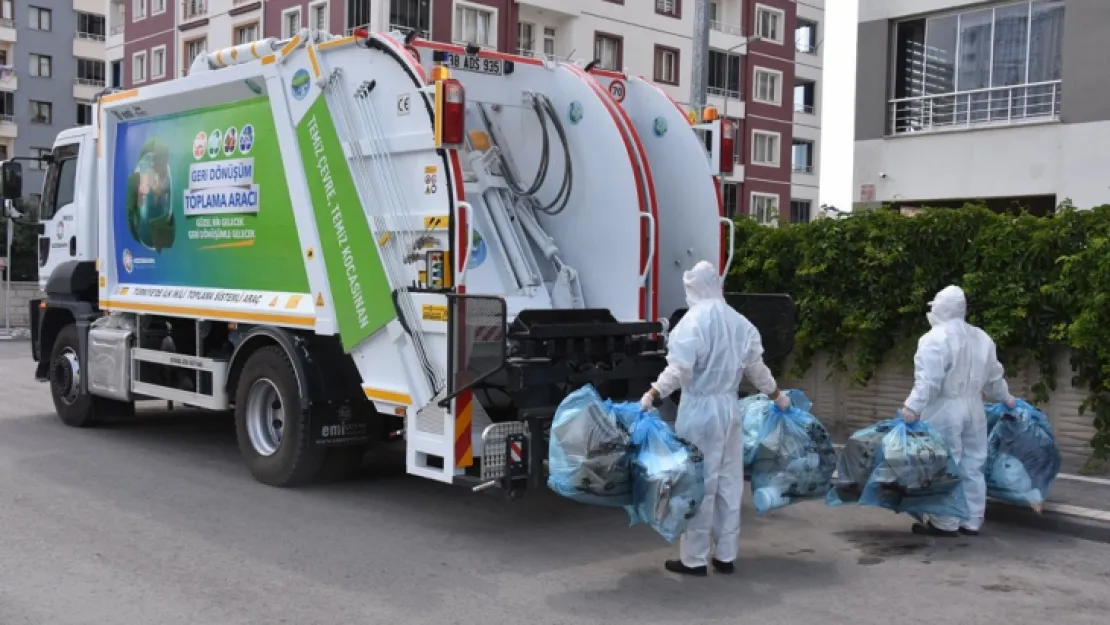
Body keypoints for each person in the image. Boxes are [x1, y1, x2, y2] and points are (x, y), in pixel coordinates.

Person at [640, 260, 790, 577]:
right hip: (729, 409)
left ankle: (693, 559)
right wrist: (776, 394)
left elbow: (679, 370)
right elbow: (756, 368)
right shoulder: (740, 323)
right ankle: (725, 555)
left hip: (699, 411)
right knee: (729, 483)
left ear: (694, 288)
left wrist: (654, 392)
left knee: (699, 483)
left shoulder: (692, 323)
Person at [900, 285, 1016, 538]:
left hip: (944, 407)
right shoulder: (982, 338)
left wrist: (913, 407)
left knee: (945, 463)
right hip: (974, 407)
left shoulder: (933, 339)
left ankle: (945, 522)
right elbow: (994, 377)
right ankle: (972, 520)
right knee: (973, 463)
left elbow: (929, 381)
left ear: (940, 308)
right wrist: (1005, 398)